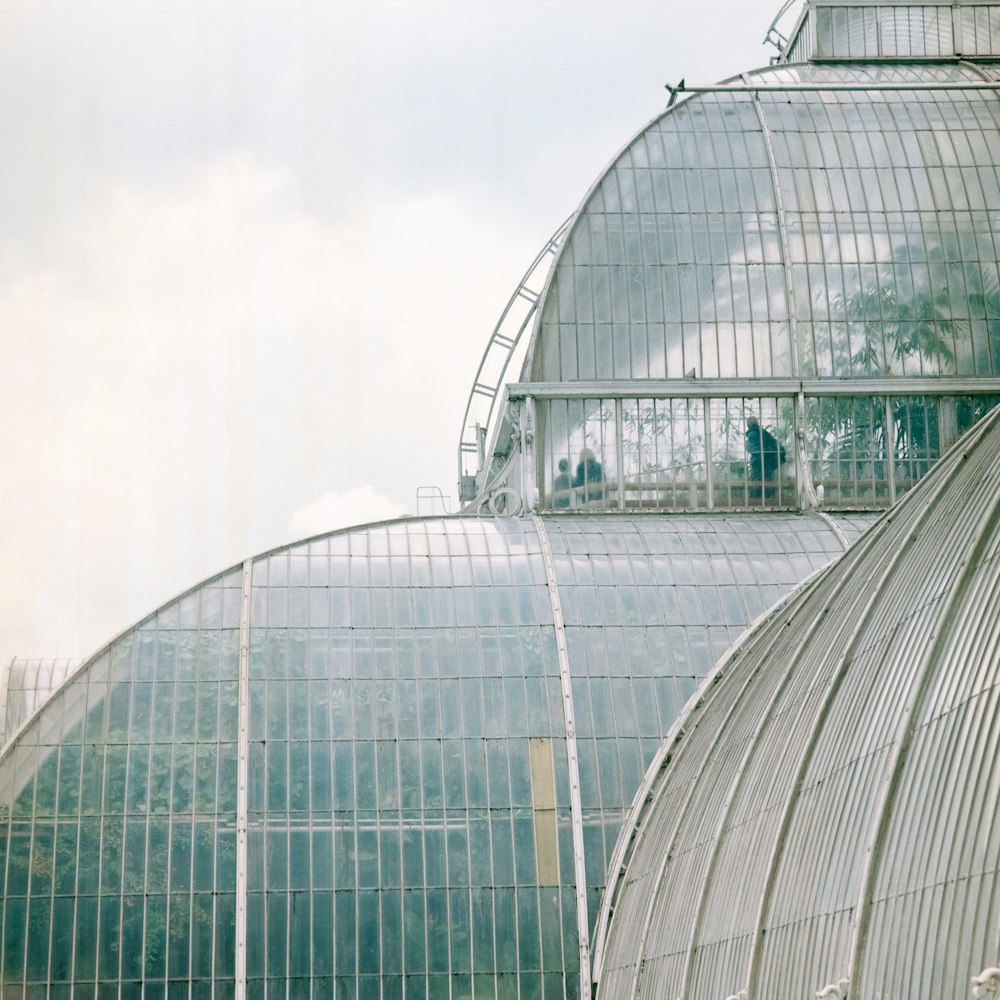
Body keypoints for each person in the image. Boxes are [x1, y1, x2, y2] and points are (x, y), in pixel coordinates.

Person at [746, 416, 786, 498]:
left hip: (758, 465)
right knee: (767, 486)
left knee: (756, 487)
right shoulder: (765, 434)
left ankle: (756, 505)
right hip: (768, 465)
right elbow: (780, 448)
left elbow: (753, 450)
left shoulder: (752, 434)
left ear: (748, 425)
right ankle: (769, 503)